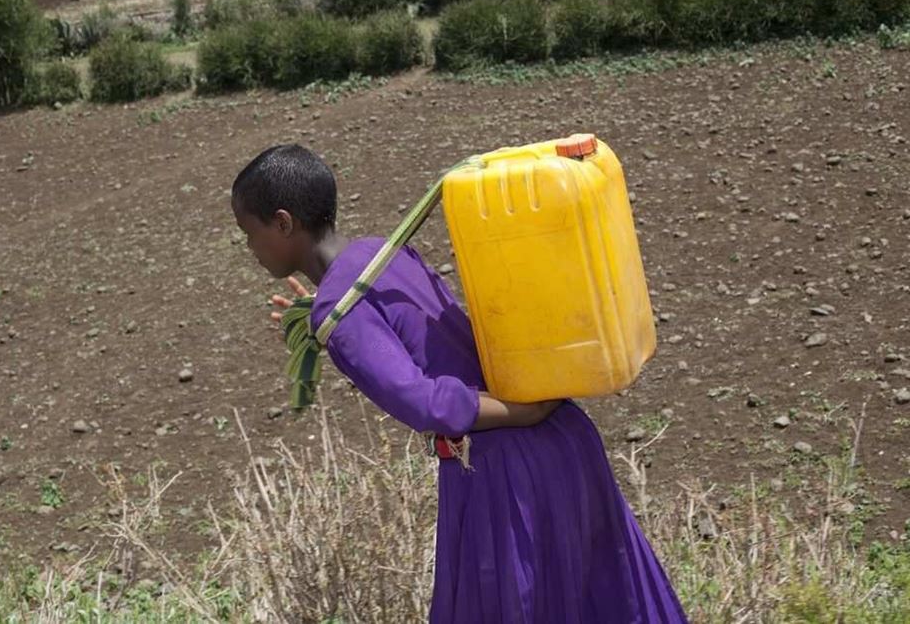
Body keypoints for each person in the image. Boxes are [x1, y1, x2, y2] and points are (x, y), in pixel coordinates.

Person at [231, 144, 688, 623]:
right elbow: (424, 333)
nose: (250, 248)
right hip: (566, 441)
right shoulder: (383, 253)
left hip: (505, 471)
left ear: (283, 223)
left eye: (250, 233)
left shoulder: (338, 311)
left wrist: (522, 412)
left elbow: (426, 403)